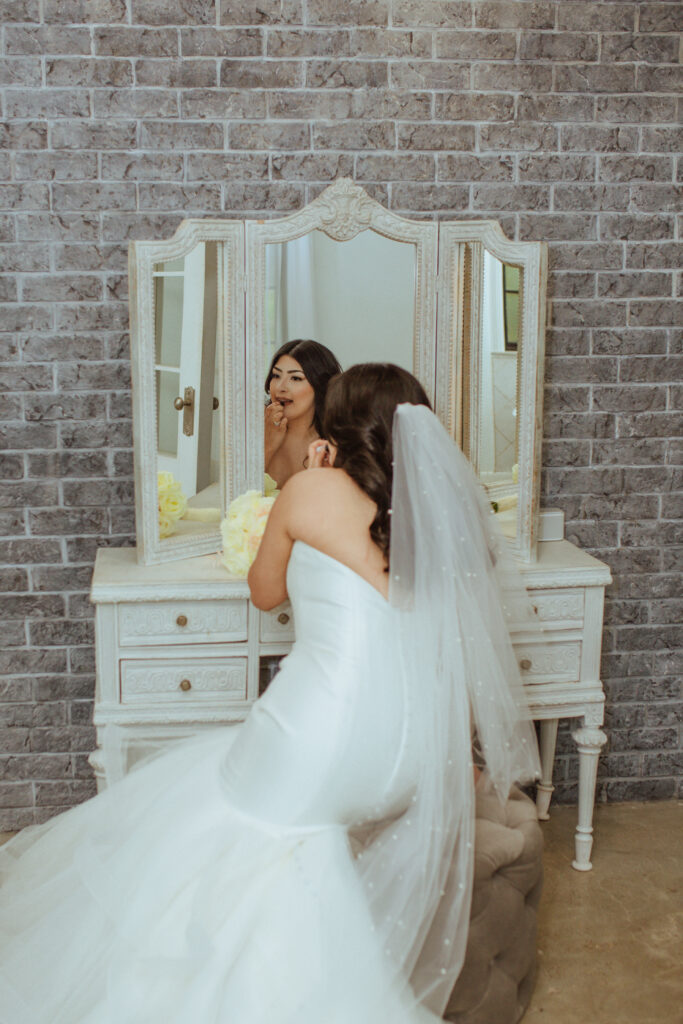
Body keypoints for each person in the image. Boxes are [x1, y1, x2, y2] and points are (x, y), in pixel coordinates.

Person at [0, 364, 540, 1024]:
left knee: (205, 807)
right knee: (230, 794)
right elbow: (447, 657)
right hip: (411, 761)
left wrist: (304, 476)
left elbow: (264, 591)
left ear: (336, 425)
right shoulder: (438, 518)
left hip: (323, 748)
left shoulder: (311, 489)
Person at [264, 338, 342, 488]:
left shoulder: (335, 443)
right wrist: (268, 445)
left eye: (295, 378)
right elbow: (235, 495)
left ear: (319, 386)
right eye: (276, 376)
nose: (281, 387)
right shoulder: (253, 435)